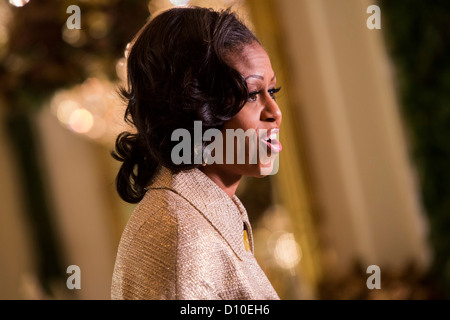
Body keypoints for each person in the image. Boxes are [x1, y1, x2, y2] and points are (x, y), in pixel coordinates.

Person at [111, 6, 282, 300]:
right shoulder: (183, 236)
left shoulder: (199, 212)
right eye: (253, 94)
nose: (274, 112)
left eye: (273, 91)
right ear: (197, 107)